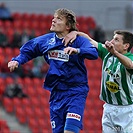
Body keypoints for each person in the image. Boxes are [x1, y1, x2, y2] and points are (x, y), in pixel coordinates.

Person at [8, 8, 98, 133]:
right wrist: (17, 60)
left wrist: (77, 50)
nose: (53, 20)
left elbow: (93, 52)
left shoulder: (78, 41)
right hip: (57, 93)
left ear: (67, 26)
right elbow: (28, 51)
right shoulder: (46, 40)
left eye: (59, 18)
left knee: (70, 131)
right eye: (54, 17)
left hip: (76, 91)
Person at [63, 30, 133, 133]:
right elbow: (90, 40)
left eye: (116, 40)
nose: (112, 41)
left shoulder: (129, 58)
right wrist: (76, 33)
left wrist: (115, 53)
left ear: (126, 46)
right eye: (113, 38)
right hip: (108, 107)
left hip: (126, 110)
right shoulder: (107, 53)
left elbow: (130, 65)